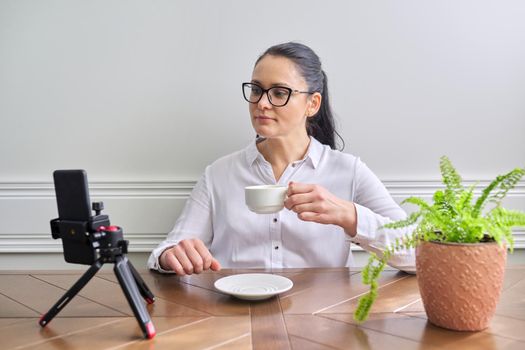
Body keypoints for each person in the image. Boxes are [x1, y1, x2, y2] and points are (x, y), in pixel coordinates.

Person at [148, 42, 415, 275]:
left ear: (312, 104)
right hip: (233, 318)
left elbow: (416, 254)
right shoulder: (219, 174)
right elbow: (166, 251)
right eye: (256, 89)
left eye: (279, 92)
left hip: (322, 321)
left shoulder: (349, 171)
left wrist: (348, 215)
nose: (262, 103)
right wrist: (171, 257)